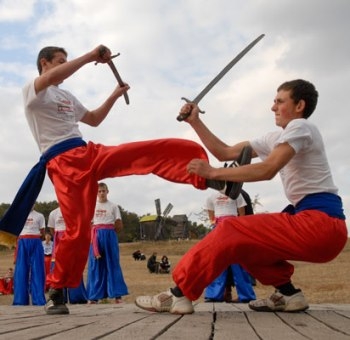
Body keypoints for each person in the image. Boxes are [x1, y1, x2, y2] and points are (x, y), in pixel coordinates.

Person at [3, 44, 228, 315]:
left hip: (88, 151)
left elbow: (94, 119)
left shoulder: (66, 96)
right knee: (78, 232)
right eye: (61, 61)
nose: (65, 64)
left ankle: (212, 178)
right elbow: (51, 79)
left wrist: (115, 94)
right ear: (45, 63)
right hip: (63, 163)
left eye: (67, 60)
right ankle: (57, 290)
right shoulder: (33, 90)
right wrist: (88, 58)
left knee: (142, 153)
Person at [135, 79, 348, 314]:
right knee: (246, 244)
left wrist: (214, 172)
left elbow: (268, 170)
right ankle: (288, 295)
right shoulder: (274, 139)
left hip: (321, 225)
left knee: (231, 229)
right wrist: (195, 122)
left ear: (299, 106)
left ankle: (177, 295)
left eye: (279, 101)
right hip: (316, 225)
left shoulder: (300, 127)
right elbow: (224, 151)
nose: (272, 107)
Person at [203, 190, 256, 303]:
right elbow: (211, 216)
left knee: (238, 262)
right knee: (217, 261)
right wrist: (216, 225)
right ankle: (214, 294)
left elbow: (242, 214)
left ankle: (246, 295)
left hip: (234, 227)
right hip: (219, 228)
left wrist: (239, 227)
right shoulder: (211, 197)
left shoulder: (237, 194)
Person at [86, 182, 128, 304]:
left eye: (103, 191)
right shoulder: (92, 205)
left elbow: (119, 223)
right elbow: (88, 222)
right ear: (96, 193)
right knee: (95, 265)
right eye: (99, 191)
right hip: (96, 235)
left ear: (107, 192)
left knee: (113, 263)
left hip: (109, 234)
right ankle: (94, 296)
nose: (101, 193)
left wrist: (110, 232)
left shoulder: (114, 206)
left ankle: (117, 295)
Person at [48, 206, 88, 305]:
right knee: (58, 267)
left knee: (73, 266)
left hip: (71, 238)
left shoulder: (74, 210)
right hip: (59, 240)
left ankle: (77, 297)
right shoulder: (54, 213)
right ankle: (60, 297)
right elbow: (52, 230)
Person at [13, 206, 46, 306]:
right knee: (21, 271)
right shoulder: (19, 214)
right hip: (22, 241)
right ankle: (20, 300)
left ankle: (38, 299)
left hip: (36, 240)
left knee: (38, 270)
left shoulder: (40, 215)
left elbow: (42, 232)